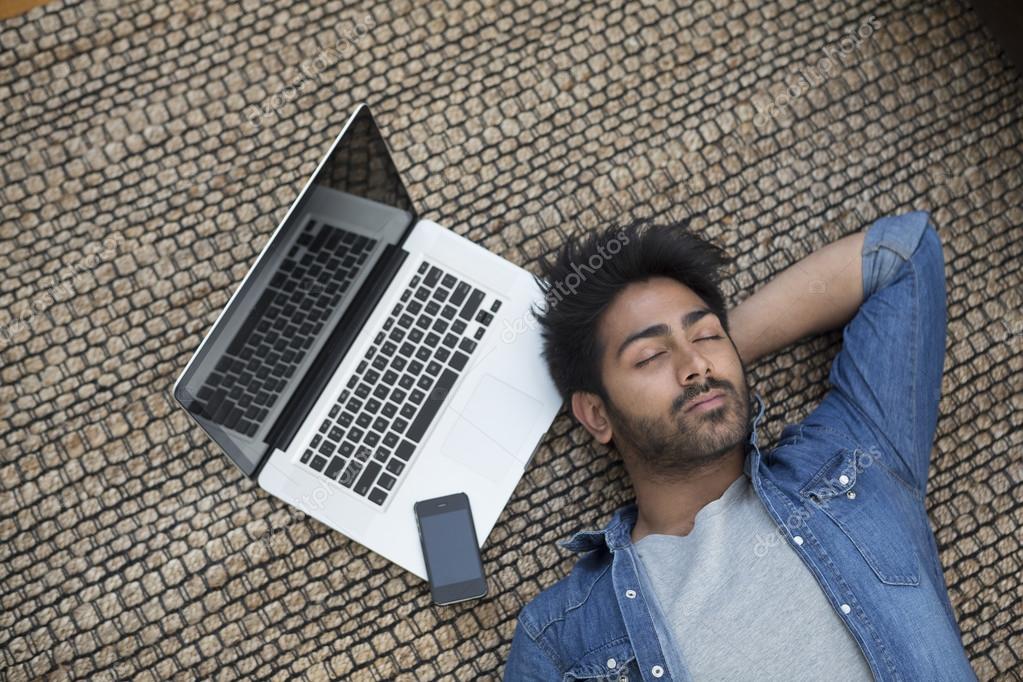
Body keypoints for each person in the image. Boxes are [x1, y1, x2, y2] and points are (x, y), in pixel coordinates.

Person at [503, 211, 978, 681]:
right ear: (597, 413)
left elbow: (903, 254)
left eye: (708, 334)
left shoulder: (854, 454)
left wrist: (716, 358)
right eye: (650, 356)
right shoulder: (559, 642)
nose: (697, 364)